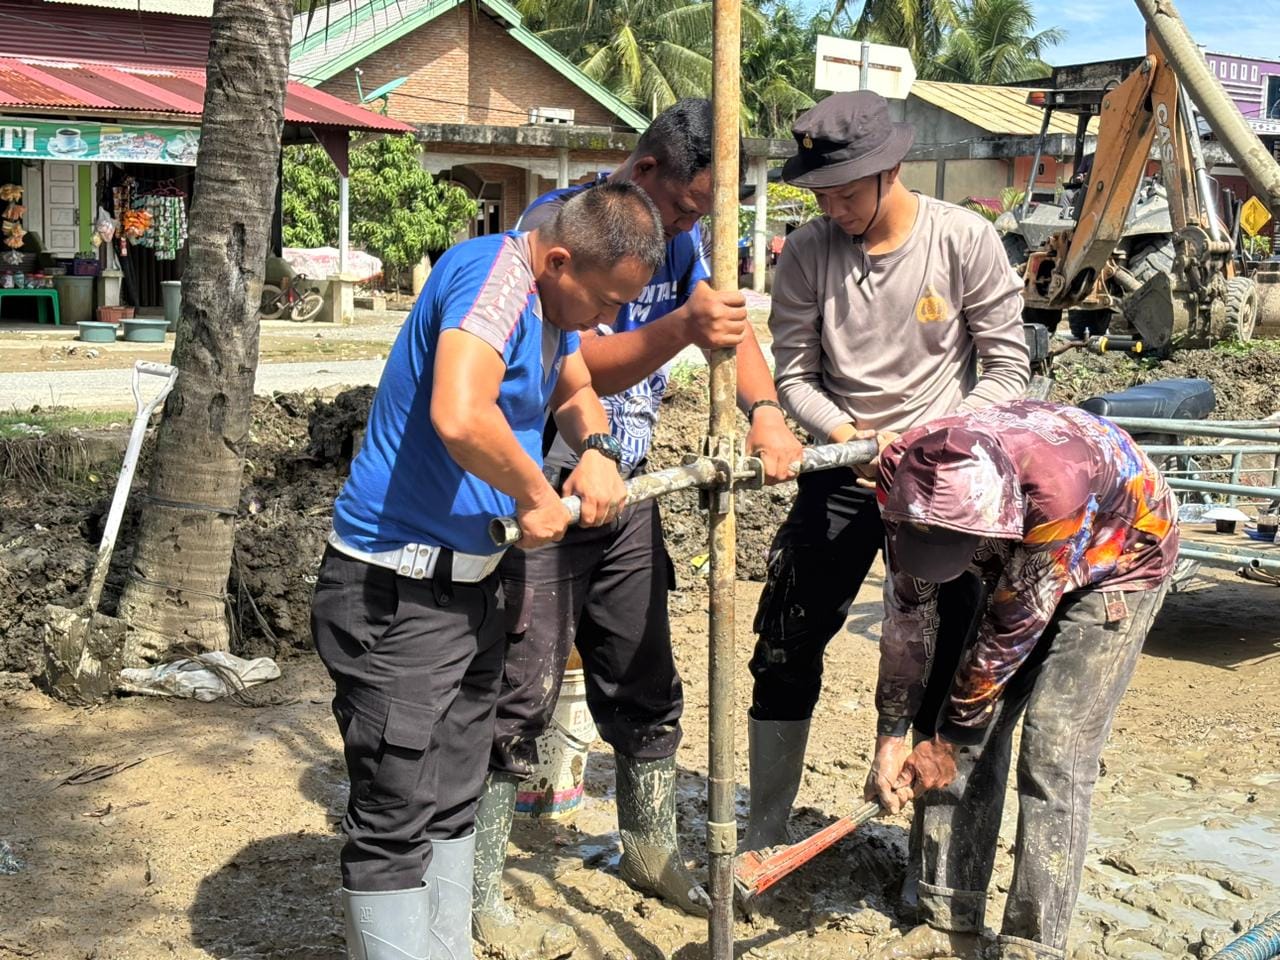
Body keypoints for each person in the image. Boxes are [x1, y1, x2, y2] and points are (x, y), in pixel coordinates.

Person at [472, 97, 806, 958]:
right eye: (690, 204)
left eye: (704, 209)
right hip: (545, 488)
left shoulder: (683, 236)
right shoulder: (563, 230)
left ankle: (649, 847)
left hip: (633, 486)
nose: (695, 221)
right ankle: (477, 890)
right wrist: (680, 330)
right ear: (647, 171)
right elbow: (577, 367)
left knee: (643, 674)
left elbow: (725, 328)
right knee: (520, 690)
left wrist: (764, 410)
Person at [311, 182, 663, 960]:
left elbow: (573, 382)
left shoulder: (550, 305)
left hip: (471, 585)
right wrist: (537, 491)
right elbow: (461, 413)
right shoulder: (495, 276)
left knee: (453, 794)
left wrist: (598, 449)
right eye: (605, 300)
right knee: (395, 811)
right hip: (395, 589)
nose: (606, 324)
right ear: (561, 259)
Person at [743, 90, 1031, 852]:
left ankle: (925, 847)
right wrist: (848, 432)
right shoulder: (807, 252)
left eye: (845, 193)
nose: (832, 208)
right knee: (785, 640)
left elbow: (1007, 369)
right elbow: (795, 374)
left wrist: (931, 433)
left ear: (892, 170)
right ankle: (766, 830)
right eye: (821, 194)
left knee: (947, 649)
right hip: (845, 471)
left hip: (945, 481)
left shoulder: (964, 240)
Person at [866, 399, 1179, 960]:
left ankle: (1032, 943)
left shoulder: (1052, 495)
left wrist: (951, 738)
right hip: (1025, 543)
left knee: (1055, 748)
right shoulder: (902, 476)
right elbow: (907, 618)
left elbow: (1009, 634)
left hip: (1120, 552)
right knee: (956, 730)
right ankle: (948, 918)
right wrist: (890, 734)